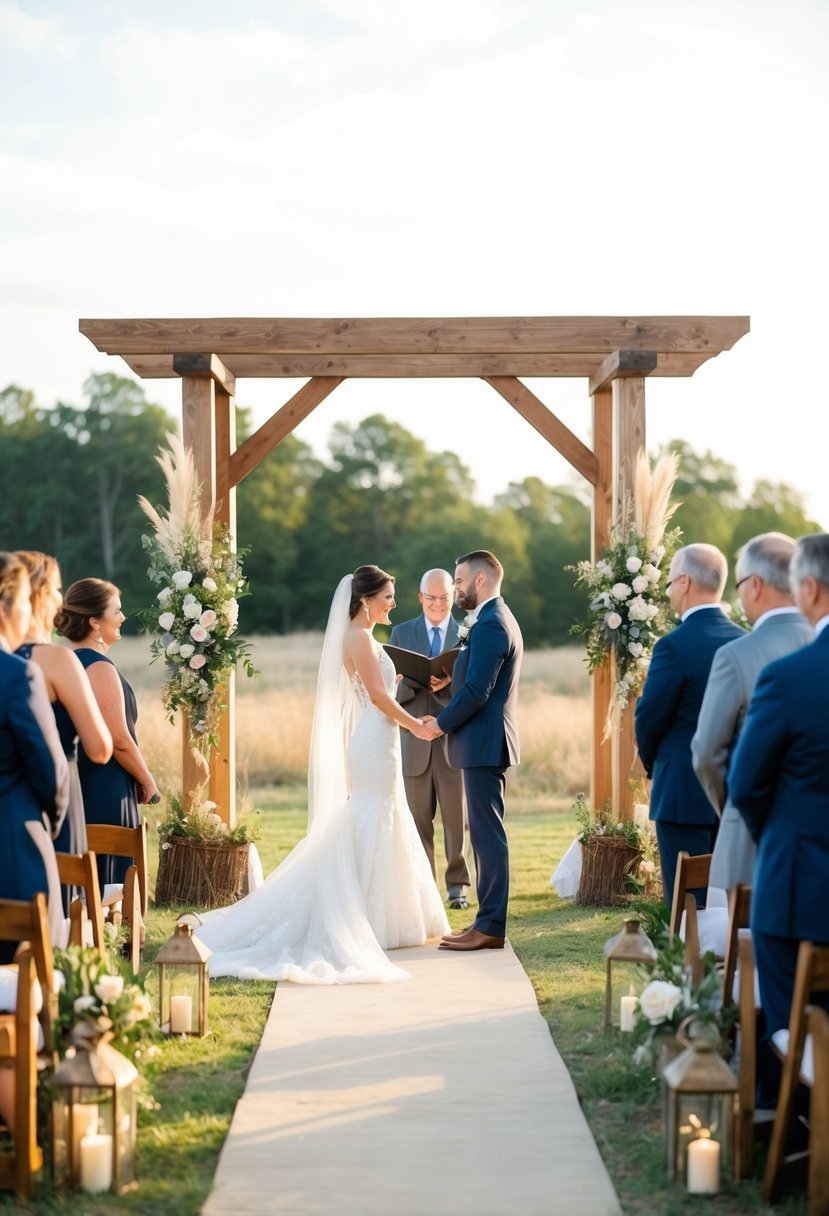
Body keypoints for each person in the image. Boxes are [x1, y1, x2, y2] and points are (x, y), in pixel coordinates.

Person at [196, 566, 449, 983]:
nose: (393, 603)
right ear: (366, 599)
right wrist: (415, 724)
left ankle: (381, 916)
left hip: (375, 736)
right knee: (374, 814)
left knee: (381, 813)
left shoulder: (358, 638)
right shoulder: (360, 638)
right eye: (387, 596)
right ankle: (367, 917)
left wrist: (400, 680)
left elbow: (372, 688)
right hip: (376, 737)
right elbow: (380, 698)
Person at [728, 533, 829, 1042]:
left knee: (788, 1027)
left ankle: (782, 1118)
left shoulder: (788, 678)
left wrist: (784, 830)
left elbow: (745, 782)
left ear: (809, 588)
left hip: (800, 887)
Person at [691, 534, 813, 890]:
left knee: (740, 941)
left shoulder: (736, 656)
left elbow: (706, 754)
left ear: (755, 585)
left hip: (750, 840)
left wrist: (734, 808)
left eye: (740, 585)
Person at [634, 543, 744, 910]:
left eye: (668, 584)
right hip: (736, 793)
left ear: (684, 582)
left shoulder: (673, 646)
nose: (667, 593)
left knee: (687, 905)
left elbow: (649, 719)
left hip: (682, 793)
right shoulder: (745, 641)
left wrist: (653, 767)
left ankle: (687, 967)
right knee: (732, 903)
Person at [424, 550, 523, 953]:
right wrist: (452, 675)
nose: (456, 588)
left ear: (480, 580)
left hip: (484, 743)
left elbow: (480, 691)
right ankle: (485, 922)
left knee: (486, 836)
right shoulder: (489, 620)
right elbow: (478, 677)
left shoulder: (492, 624)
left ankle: (491, 927)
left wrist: (440, 722)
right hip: (482, 743)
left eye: (459, 581)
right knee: (483, 834)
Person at [55, 579, 158, 890]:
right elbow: (118, 739)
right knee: (107, 878)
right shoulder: (97, 667)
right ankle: (111, 929)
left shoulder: (67, 663)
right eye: (118, 610)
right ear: (95, 622)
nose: (123, 617)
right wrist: (146, 778)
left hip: (84, 780)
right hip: (104, 785)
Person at [15, 552, 113, 876]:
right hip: (57, 792)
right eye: (57, 589)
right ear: (40, 596)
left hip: (10, 796)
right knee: (61, 903)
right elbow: (99, 749)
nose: (61, 598)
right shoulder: (58, 660)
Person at [389, 568, 471, 909]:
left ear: (453, 597)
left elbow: (477, 686)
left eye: (444, 598)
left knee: (456, 819)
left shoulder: (469, 633)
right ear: (420, 597)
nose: (437, 604)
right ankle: (423, 891)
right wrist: (416, 681)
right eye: (431, 597)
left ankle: (458, 888)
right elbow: (389, 688)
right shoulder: (400, 632)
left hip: (453, 737)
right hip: (415, 738)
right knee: (417, 819)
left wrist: (449, 680)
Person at [0, 552, 69, 959]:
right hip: (14, 853)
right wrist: (50, 826)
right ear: (5, 607)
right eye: (27, 599)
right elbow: (52, 773)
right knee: (34, 986)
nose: (30, 609)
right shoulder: (17, 675)